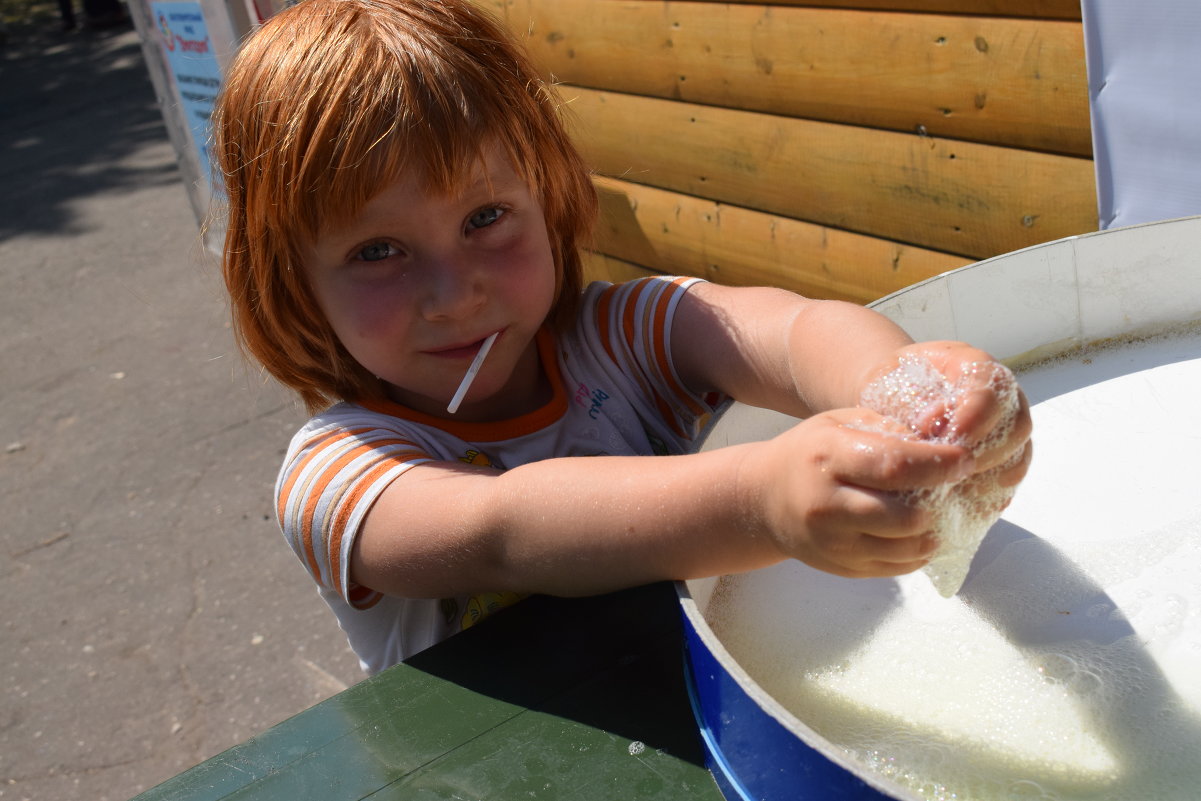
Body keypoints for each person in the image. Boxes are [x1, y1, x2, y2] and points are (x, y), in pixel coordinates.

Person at [211, 0, 1032, 675]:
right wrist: (762, 499)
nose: (455, 291)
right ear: (293, 283)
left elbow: (791, 333)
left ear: (549, 197)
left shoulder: (620, 336)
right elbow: (506, 532)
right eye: (377, 251)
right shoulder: (335, 474)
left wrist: (909, 386)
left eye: (485, 217)